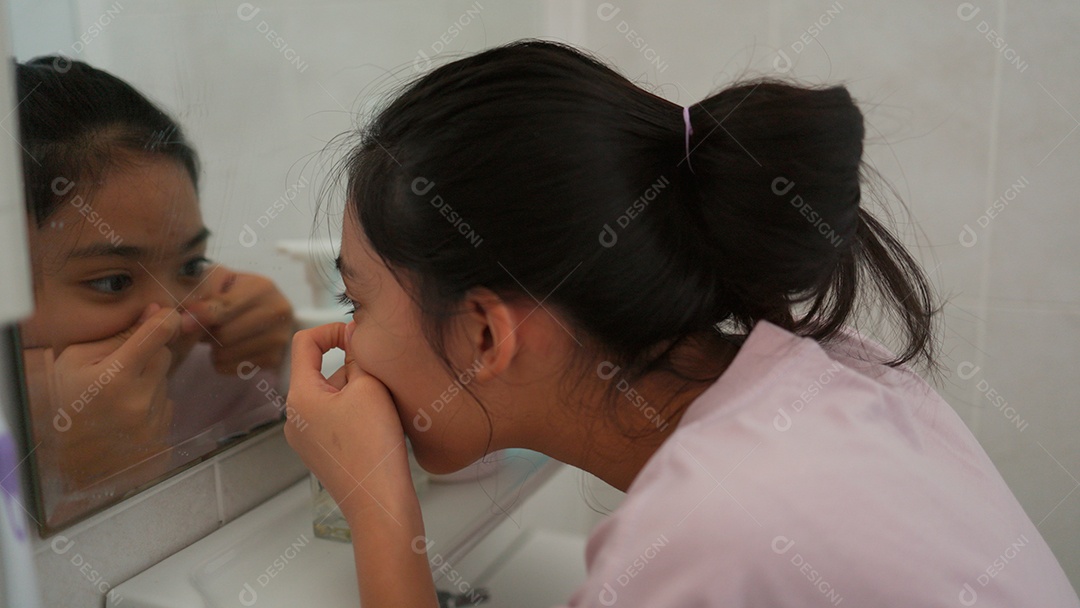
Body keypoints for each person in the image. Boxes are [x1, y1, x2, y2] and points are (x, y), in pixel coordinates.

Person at [285, 40, 1079, 607]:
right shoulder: (839, 369)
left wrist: (379, 513)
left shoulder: (707, 530)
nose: (349, 338)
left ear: (487, 335)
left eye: (357, 302)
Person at [16, 56, 295, 526]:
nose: (172, 320)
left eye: (190, 265)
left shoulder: (215, 367)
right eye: (113, 281)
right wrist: (40, 461)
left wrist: (289, 346)